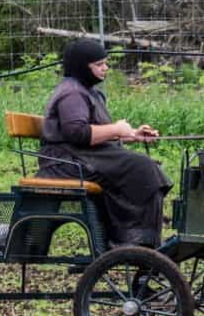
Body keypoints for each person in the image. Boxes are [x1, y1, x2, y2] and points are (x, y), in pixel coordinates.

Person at [36, 39, 171, 247]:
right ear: (82, 66)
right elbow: (78, 133)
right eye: (99, 64)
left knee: (144, 167)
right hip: (65, 163)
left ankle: (137, 239)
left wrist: (133, 134)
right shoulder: (72, 92)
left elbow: (97, 131)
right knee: (141, 167)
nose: (105, 68)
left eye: (105, 63)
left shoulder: (88, 91)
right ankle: (132, 240)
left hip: (81, 157)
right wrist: (117, 129)